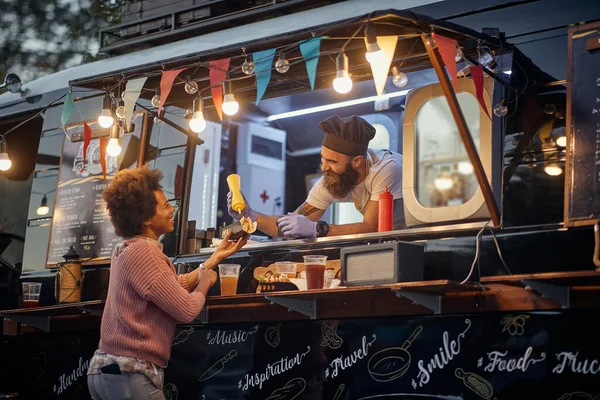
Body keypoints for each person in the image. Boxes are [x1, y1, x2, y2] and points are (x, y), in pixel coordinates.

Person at [88, 166, 247, 399]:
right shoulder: (145, 253)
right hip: (131, 373)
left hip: (107, 371)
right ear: (145, 219)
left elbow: (170, 287)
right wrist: (204, 283)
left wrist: (212, 260)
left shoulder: (126, 249)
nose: (172, 209)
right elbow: (185, 309)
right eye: (165, 206)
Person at [228, 115, 404, 238]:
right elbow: (286, 228)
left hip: (419, 232)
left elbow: (372, 227)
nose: (324, 166)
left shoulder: (386, 169)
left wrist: (316, 228)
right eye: (323, 158)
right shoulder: (330, 181)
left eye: (333, 161)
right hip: (390, 237)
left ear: (357, 161)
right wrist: (250, 215)